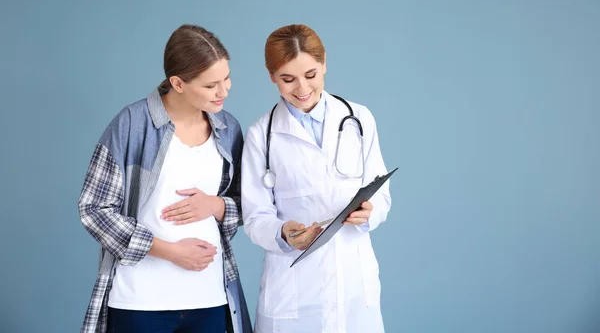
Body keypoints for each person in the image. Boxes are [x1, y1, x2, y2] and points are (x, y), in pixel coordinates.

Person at [78, 24, 251, 333]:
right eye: (211, 84)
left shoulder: (228, 128)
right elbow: (94, 209)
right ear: (178, 83)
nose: (224, 91)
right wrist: (170, 251)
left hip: (209, 297)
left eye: (226, 78)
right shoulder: (132, 124)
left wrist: (216, 206)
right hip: (141, 301)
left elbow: (249, 205)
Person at [241, 24, 392, 332]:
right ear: (272, 76)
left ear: (324, 63)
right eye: (287, 79)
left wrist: (367, 214)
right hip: (293, 289)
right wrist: (284, 232)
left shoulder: (359, 118)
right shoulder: (261, 134)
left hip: (352, 281)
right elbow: (255, 217)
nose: (301, 88)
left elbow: (383, 196)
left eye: (310, 75)